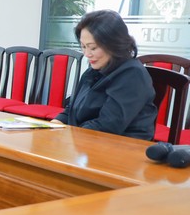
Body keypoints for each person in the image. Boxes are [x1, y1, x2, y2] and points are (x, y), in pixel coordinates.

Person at [52, 9, 156, 140]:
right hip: (85, 141)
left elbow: (108, 125)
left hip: (121, 146)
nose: (87, 54)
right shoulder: (94, 71)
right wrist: (54, 124)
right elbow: (71, 110)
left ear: (113, 44)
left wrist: (69, 137)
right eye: (83, 47)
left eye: (93, 48)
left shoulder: (133, 75)